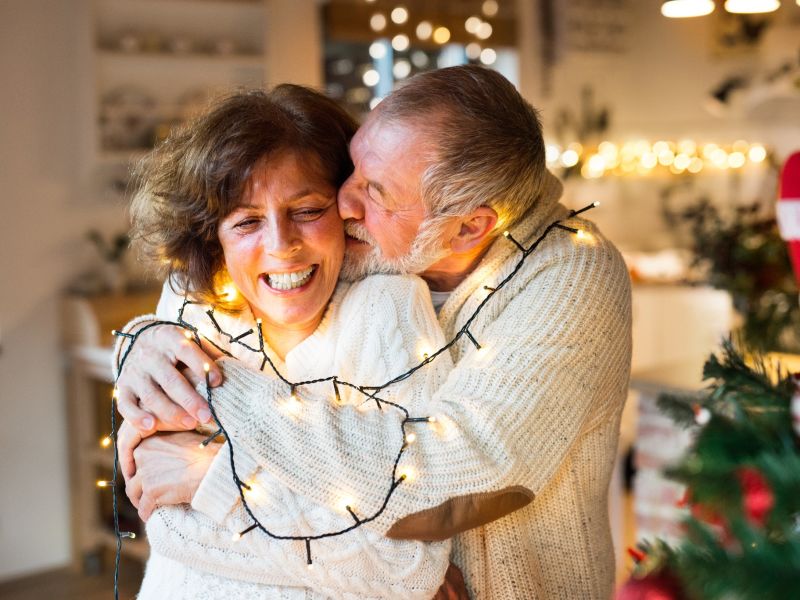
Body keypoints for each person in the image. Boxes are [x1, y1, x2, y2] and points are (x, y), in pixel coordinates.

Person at [117, 65, 632, 599]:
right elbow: (217, 269)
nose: (344, 205)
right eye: (354, 169)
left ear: (468, 226)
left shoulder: (568, 275)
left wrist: (213, 406)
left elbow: (452, 472)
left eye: (377, 191)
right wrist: (144, 340)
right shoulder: (376, 243)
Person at [117, 85, 463, 599]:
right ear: (212, 235)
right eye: (247, 221)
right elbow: (168, 529)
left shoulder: (386, 311)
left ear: (348, 207)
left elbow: (402, 566)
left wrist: (214, 481)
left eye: (307, 210)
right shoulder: (190, 305)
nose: (282, 246)